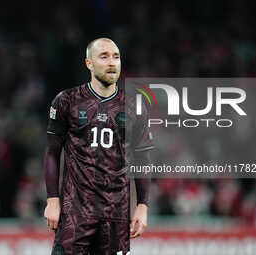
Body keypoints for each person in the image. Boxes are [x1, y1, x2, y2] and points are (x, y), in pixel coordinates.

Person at [44, 38, 153, 255]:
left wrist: (143, 205)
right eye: (104, 56)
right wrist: (52, 200)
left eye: (116, 56)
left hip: (116, 215)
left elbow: (141, 158)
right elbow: (52, 153)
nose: (112, 62)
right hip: (75, 213)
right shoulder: (67, 101)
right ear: (89, 63)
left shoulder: (134, 106)